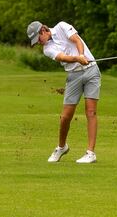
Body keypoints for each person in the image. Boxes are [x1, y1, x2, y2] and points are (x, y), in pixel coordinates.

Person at [27, 20, 100, 164]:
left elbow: (76, 40)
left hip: (92, 71)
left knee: (91, 112)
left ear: (43, 30)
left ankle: (90, 153)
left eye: (38, 39)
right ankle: (62, 147)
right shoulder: (47, 49)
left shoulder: (62, 26)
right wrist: (77, 59)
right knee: (65, 116)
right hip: (73, 76)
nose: (38, 43)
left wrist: (81, 55)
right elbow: (62, 57)